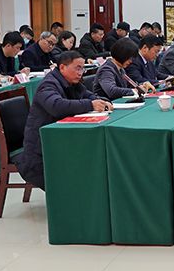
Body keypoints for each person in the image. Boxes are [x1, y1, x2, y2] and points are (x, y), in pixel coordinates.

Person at [14, 51, 112, 190]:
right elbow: (56, 106)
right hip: (41, 148)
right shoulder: (48, 84)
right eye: (77, 68)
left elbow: (88, 95)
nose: (80, 73)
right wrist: (90, 104)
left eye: (82, 69)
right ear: (62, 67)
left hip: (62, 139)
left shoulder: (72, 82)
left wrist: (100, 101)